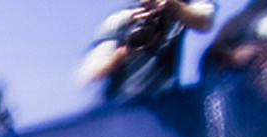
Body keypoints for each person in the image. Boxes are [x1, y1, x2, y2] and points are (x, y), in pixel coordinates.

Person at [81, 1, 219, 102]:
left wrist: (175, 8)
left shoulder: (181, 6)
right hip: (121, 104)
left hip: (164, 101)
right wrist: (126, 51)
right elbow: (90, 73)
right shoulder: (122, 17)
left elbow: (205, 22)